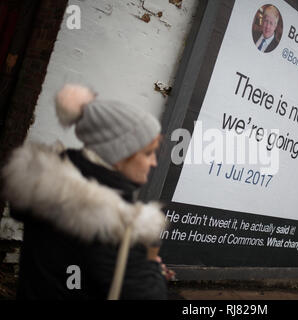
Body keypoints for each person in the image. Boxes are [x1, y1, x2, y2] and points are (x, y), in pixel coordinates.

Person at [1, 84, 172, 299]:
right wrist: (152, 267)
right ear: (119, 154)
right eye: (148, 153)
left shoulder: (43, 186)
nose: (154, 162)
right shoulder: (118, 227)